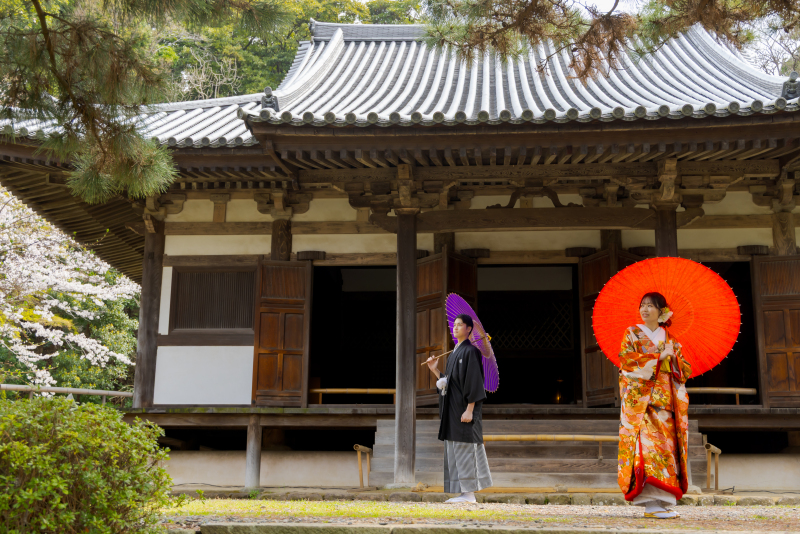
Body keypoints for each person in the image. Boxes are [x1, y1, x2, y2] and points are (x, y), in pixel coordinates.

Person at [618, 292, 691, 519]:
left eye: (651, 306)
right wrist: (657, 358)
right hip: (642, 405)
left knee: (666, 452)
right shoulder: (632, 333)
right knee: (648, 452)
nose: (645, 309)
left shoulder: (671, 340)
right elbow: (626, 360)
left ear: (662, 311)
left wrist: (673, 359)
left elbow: (685, 372)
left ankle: (662, 500)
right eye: (642, 305)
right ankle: (650, 505)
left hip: (666, 404)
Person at [426, 314, 492, 503]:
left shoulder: (471, 351)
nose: (455, 328)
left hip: (464, 410)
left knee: (465, 449)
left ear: (469, 329)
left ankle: (469, 494)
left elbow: (474, 381)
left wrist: (470, 409)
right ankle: (463, 492)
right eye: (454, 325)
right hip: (453, 410)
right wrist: (436, 371)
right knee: (455, 449)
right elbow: (452, 382)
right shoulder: (454, 352)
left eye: (460, 325)